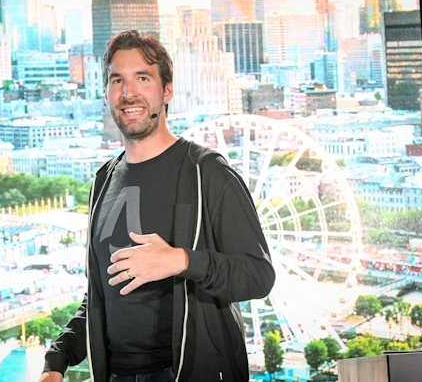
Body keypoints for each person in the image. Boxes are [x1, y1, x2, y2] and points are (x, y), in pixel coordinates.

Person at [39, 30, 275, 382]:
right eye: (117, 80)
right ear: (106, 92)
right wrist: (58, 358)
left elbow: (258, 275)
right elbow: (103, 293)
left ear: (167, 91)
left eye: (143, 78)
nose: (128, 92)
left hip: (188, 372)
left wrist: (181, 261)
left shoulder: (206, 172)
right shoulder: (104, 180)